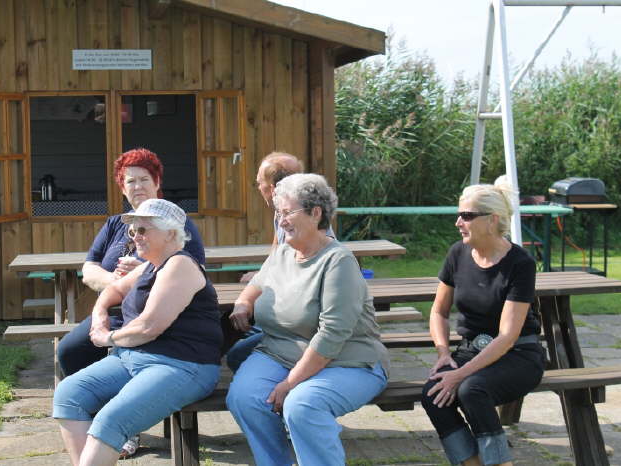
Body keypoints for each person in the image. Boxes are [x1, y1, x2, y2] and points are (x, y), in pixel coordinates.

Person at [226, 173, 389, 465]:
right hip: (279, 352)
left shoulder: (338, 261)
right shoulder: (283, 253)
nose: (281, 221)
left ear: (315, 213)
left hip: (347, 361)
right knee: (244, 397)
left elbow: (331, 336)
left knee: (302, 405)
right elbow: (258, 283)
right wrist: (243, 302)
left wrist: (290, 383)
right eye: (278, 213)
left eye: (288, 213)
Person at [56, 147, 205, 457]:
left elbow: (190, 269)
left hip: (157, 320)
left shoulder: (175, 226)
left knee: (122, 358)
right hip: (117, 313)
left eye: (143, 179)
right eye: (130, 181)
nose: (137, 186)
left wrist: (144, 271)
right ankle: (98, 422)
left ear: (157, 182)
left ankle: (123, 425)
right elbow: (89, 268)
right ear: (122, 187)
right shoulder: (114, 224)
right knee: (70, 351)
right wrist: (113, 284)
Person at [421, 177, 544, 466]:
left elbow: (507, 337)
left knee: (471, 390)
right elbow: (439, 312)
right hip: (472, 350)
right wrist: (444, 354)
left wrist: (460, 374)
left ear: (492, 220)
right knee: (432, 394)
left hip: (519, 355)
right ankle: (473, 463)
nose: (458, 222)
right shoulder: (457, 253)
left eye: (466, 216)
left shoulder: (520, 263)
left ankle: (501, 463)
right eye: (458, 215)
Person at [226, 152, 334, 372]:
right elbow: (276, 258)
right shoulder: (282, 216)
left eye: (259, 183)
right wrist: (250, 292)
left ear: (274, 188)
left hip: (303, 330)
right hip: (291, 321)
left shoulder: (312, 234)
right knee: (236, 334)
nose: (258, 187)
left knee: (236, 352)